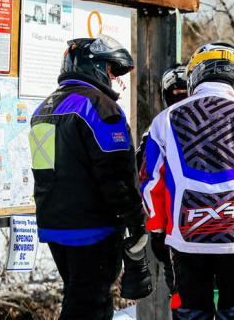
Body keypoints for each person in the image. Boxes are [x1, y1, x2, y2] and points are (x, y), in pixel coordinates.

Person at [140, 43, 234, 319]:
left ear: (196, 74)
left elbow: (150, 181)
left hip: (185, 235)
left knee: (191, 311)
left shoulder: (164, 119)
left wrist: (156, 229)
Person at [29, 36, 150, 320]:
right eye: (111, 70)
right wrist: (135, 221)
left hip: (55, 227)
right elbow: (116, 173)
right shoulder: (99, 107)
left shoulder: (44, 108)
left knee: (79, 296)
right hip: (93, 229)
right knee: (90, 305)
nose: (114, 79)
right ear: (93, 66)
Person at [135, 63, 188, 303]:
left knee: (185, 299)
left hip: (173, 230)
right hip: (221, 226)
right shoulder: (156, 128)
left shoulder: (158, 126)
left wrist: (156, 227)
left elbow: (144, 176)